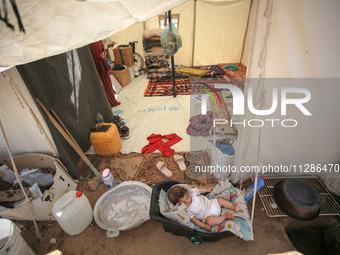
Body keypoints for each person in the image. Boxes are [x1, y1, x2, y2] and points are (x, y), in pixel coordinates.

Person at [168, 186, 241, 232]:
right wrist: (204, 226)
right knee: (210, 221)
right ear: (179, 204)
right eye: (184, 203)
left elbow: (198, 190)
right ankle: (225, 217)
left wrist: (207, 190)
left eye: (187, 197)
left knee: (220, 200)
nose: (188, 201)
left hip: (211, 203)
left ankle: (234, 207)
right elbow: (195, 221)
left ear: (187, 193)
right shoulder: (187, 210)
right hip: (206, 215)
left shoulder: (191, 193)